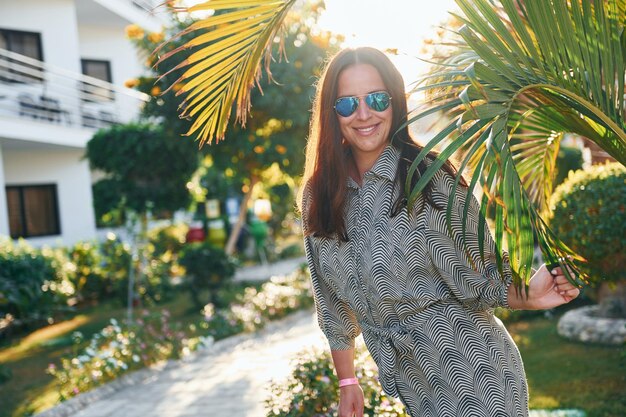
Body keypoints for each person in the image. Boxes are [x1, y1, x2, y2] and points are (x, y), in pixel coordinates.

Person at [298, 47, 580, 417]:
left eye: (377, 99)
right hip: (414, 385)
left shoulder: (429, 178)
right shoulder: (319, 195)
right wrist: (347, 381)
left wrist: (531, 294)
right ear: (332, 114)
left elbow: (480, 274)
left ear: (395, 103)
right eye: (348, 104)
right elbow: (330, 302)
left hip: (476, 375)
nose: (364, 114)